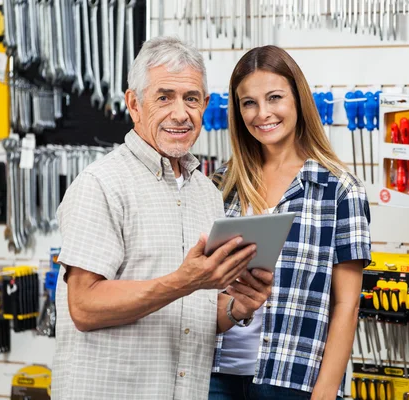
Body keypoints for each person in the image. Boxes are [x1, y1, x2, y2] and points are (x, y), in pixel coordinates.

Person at [51, 36, 273, 400]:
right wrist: (181, 282)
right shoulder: (101, 184)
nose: (180, 113)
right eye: (164, 97)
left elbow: (191, 314)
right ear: (134, 104)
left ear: (205, 105)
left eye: (191, 99)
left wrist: (237, 308)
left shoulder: (207, 194)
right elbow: (84, 307)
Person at [210, 45, 372, 400]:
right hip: (215, 375)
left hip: (290, 377)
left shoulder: (339, 190)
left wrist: (326, 390)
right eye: (248, 102)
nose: (262, 113)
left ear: (298, 100)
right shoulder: (220, 185)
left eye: (274, 98)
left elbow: (347, 304)